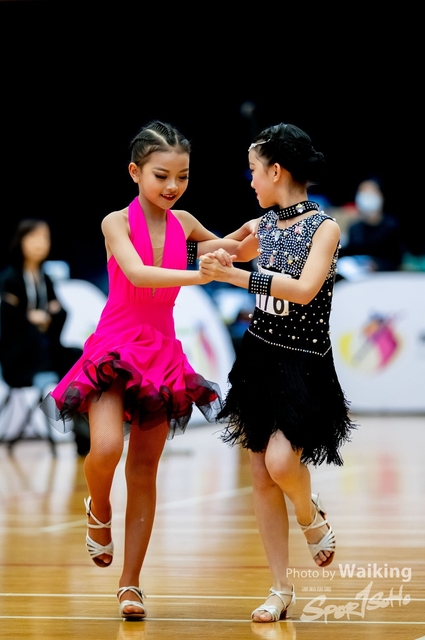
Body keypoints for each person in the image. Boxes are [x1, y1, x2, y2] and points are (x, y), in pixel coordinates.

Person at [39, 120, 251, 620]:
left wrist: (259, 231)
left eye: (183, 176)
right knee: (105, 448)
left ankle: (130, 583)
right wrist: (201, 273)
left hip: (162, 354)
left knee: (144, 471)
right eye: (161, 175)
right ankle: (98, 508)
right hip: (114, 347)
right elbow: (137, 273)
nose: (173, 186)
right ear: (135, 172)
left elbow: (236, 252)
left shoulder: (186, 223)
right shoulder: (116, 222)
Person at [199, 123, 356, 623]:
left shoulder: (325, 228)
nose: (250, 181)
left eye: (253, 171)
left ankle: (309, 513)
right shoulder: (262, 225)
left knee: (282, 463)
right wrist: (173, 235)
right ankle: (280, 589)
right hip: (260, 357)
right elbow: (215, 253)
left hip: (303, 362)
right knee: (260, 475)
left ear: (276, 171)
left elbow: (304, 289)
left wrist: (237, 275)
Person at [0, 219, 90, 456]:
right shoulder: (10, 278)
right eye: (33, 237)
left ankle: (83, 430)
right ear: (21, 241)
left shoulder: (45, 278)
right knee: (53, 356)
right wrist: (31, 318)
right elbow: (9, 318)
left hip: (44, 352)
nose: (40, 243)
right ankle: (78, 428)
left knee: (78, 357)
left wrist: (43, 317)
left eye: (44, 237)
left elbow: (60, 313)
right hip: (19, 360)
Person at [336, 178, 404, 280]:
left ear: (380, 196)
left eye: (371, 192)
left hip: (384, 278)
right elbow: (349, 253)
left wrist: (377, 265)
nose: (367, 197)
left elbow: (397, 260)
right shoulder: (354, 227)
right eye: (363, 192)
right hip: (356, 279)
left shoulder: (391, 226)